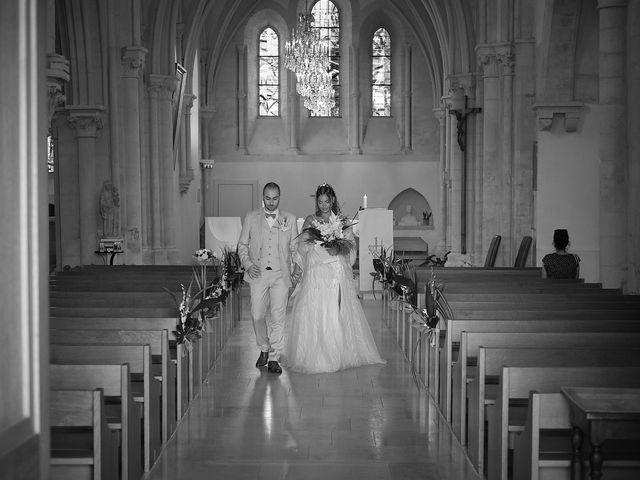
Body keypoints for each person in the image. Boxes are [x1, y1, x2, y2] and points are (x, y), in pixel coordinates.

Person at [283, 183, 385, 374]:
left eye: (326, 201)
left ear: (333, 201)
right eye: (320, 202)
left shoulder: (341, 221)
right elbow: (302, 246)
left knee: (334, 307)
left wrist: (338, 248)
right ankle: (316, 352)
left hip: (335, 270)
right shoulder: (310, 220)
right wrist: (302, 262)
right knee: (315, 307)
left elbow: (350, 246)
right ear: (317, 202)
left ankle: (337, 351)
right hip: (316, 270)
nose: (323, 205)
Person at [238, 182, 299, 374]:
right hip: (258, 273)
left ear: (280, 197)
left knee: (278, 316)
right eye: (267, 198)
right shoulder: (251, 217)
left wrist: (296, 269)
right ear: (262, 197)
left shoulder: (290, 218)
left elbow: (295, 248)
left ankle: (274, 357)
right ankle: (264, 348)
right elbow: (241, 245)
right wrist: (248, 265)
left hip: (281, 275)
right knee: (257, 314)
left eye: (275, 198)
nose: (271, 202)